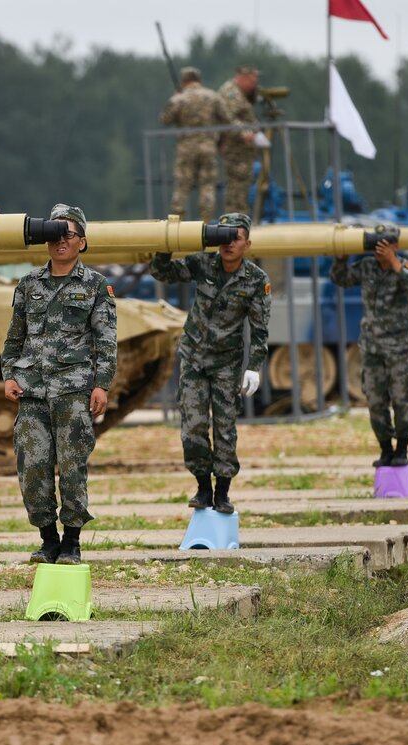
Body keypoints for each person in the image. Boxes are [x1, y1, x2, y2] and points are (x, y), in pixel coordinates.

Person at [1, 204, 117, 565]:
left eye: (67, 234)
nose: (60, 241)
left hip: (73, 390)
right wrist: (8, 373)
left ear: (82, 241)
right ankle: (47, 538)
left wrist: (102, 384)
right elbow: (13, 337)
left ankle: (72, 541)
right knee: (32, 466)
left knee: (72, 466)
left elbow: (106, 339)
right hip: (32, 389)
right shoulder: (29, 285)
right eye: (53, 234)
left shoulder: (96, 285)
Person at [149, 212, 271, 514]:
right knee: (192, 427)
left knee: (225, 428)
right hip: (193, 359)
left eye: (236, 238)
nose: (229, 243)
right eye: (224, 236)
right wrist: (168, 240)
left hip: (226, 363)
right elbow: (162, 271)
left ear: (247, 243)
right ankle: (203, 486)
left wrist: (254, 366)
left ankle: (223, 492)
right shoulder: (203, 263)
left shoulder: (256, 280)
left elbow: (259, 329)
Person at [330, 225, 408, 467]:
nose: (381, 248)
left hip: (398, 347)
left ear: (396, 246)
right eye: (378, 243)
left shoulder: (407, 266)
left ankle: (402, 449)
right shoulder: (367, 267)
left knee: (402, 399)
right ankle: (385, 448)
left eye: (387, 243)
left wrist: (393, 263)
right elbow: (340, 279)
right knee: (375, 400)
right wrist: (341, 258)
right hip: (372, 347)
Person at [160, 66, 230, 223]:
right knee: (207, 185)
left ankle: (176, 223)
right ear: (199, 80)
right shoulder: (213, 97)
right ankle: (205, 221)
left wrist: (175, 98)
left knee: (182, 186)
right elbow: (227, 120)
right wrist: (221, 141)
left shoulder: (179, 99)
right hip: (207, 147)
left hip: (185, 148)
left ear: (183, 81)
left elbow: (165, 119)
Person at [217, 66, 261, 217]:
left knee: (240, 189)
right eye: (252, 81)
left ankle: (238, 219)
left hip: (242, 151)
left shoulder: (240, 93)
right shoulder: (231, 93)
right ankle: (235, 221)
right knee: (237, 189)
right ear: (243, 78)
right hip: (235, 150)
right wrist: (245, 132)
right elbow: (228, 119)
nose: (254, 86)